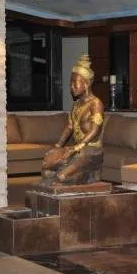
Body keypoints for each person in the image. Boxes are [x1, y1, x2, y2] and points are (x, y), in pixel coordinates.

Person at [41, 54, 106, 185]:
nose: (71, 86)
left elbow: (94, 131)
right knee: (47, 173)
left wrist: (75, 148)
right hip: (76, 149)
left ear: (86, 84)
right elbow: (70, 126)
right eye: (70, 83)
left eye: (74, 83)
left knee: (61, 177)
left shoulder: (96, 104)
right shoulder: (76, 105)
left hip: (90, 150)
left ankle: (86, 174)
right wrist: (58, 146)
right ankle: (84, 174)